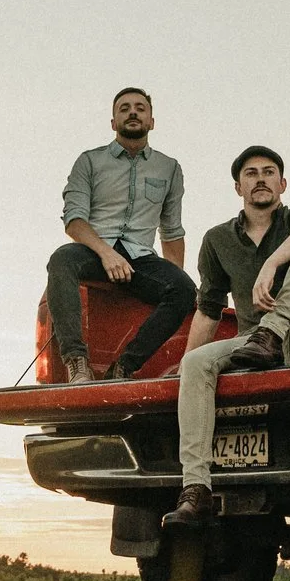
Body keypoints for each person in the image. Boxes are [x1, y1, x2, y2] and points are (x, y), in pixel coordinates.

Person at [164, 146, 290, 528]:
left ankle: (272, 330)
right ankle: (196, 490)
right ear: (238, 187)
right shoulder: (217, 239)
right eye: (250, 173)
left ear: (283, 184)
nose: (260, 178)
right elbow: (209, 309)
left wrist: (273, 262)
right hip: (253, 344)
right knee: (195, 363)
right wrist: (182, 364)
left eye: (268, 172)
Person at [45, 88, 195, 383]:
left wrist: (174, 280)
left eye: (140, 108)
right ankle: (77, 362)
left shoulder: (169, 168)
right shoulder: (89, 161)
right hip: (94, 250)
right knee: (61, 259)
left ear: (152, 121)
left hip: (141, 258)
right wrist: (107, 253)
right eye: (124, 108)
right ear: (113, 122)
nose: (133, 112)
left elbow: (171, 231)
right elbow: (74, 220)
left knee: (184, 289)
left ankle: (125, 366)